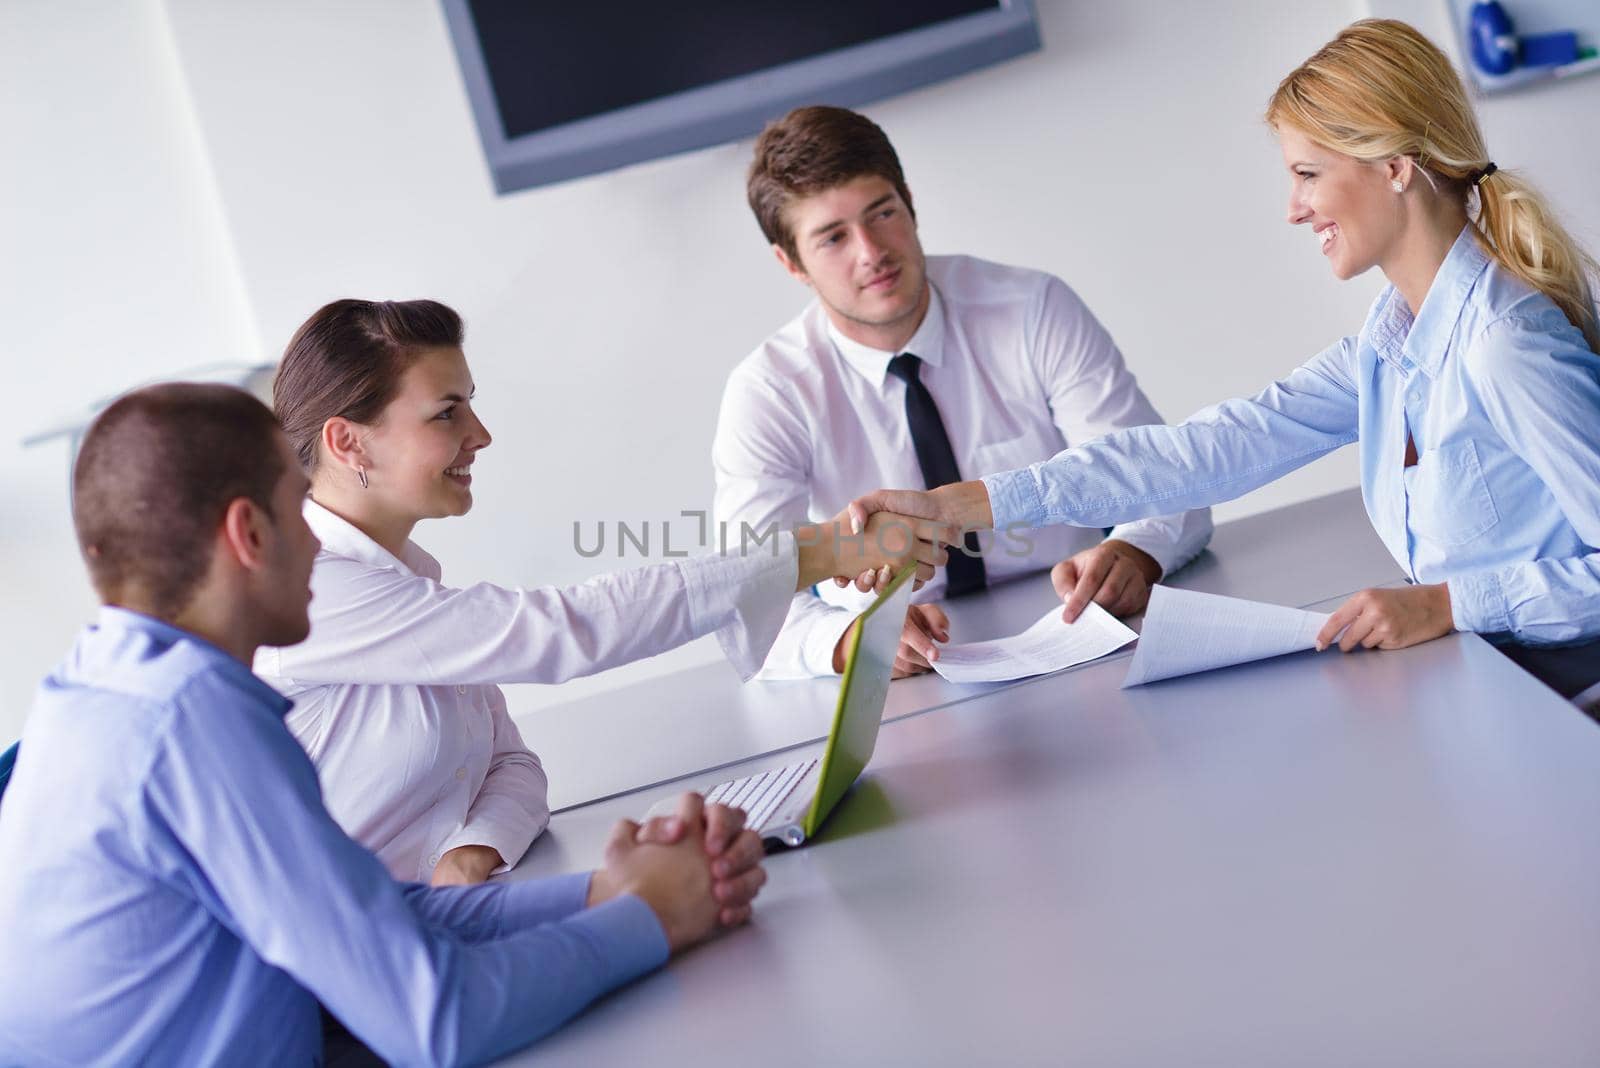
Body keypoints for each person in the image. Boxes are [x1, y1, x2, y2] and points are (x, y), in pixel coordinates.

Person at [0, 384, 774, 1065]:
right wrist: (655, 915)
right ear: (250, 533)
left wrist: (602, 893)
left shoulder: (104, 685)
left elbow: (379, 909)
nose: (315, 534)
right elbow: (436, 1020)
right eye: (294, 502)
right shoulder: (192, 723)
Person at [845, 19, 1600, 699]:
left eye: (1308, 174)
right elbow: (1202, 453)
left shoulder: (1506, 345)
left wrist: (1445, 602)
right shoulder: (1390, 341)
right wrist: (950, 508)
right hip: (1478, 686)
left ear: (1396, 166)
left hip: (1552, 711)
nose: (1293, 208)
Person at [257, 299, 945, 885]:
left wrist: (472, 852)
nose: (481, 435)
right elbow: (562, 632)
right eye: (447, 413)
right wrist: (818, 553)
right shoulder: (316, 594)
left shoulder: (405, 585)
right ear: (348, 443)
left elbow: (512, 765)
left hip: (443, 929)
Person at [714, 105, 1211, 680]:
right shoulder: (770, 392)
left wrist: (1137, 551)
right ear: (791, 262)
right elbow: (746, 598)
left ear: (911, 206)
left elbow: (1171, 479)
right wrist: (850, 640)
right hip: (908, 683)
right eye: (832, 237)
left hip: (1084, 637)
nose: (871, 251)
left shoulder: (1032, 310)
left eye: (882, 213)